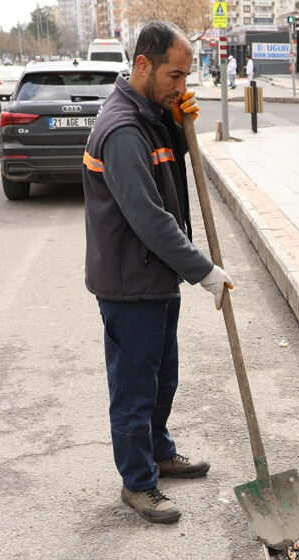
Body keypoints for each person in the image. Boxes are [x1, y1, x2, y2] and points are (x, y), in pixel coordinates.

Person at [82, 22, 234, 524]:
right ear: (143, 65)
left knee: (162, 377)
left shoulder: (148, 117)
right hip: (131, 283)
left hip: (155, 277)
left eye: (186, 76)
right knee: (135, 388)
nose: (182, 86)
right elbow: (149, 218)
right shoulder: (123, 129)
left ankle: (159, 451)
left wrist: (176, 125)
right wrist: (203, 270)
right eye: (175, 76)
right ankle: (138, 482)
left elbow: (164, 166)